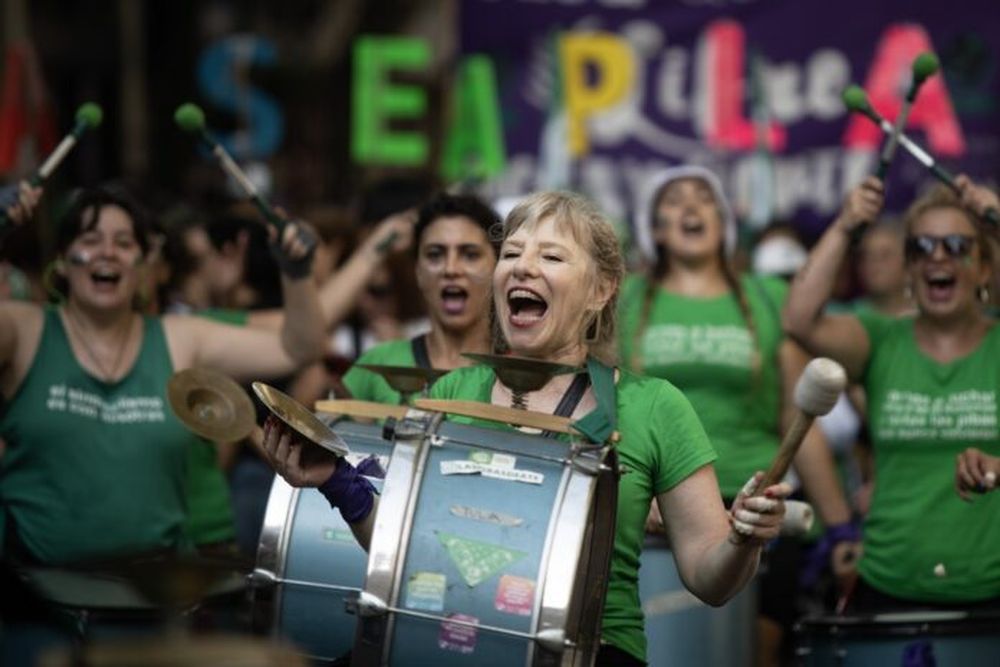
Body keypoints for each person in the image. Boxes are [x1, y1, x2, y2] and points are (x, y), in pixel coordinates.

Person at [261, 190, 792, 666]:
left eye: (552, 256)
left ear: (601, 290)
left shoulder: (654, 406)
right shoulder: (451, 395)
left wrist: (744, 540)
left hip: (591, 652)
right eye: (512, 253)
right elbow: (401, 551)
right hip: (454, 640)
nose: (522, 268)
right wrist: (338, 483)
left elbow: (709, 578)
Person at [0, 182, 325, 567]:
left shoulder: (179, 337)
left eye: (124, 243)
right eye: (91, 239)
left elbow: (298, 348)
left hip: (152, 601)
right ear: (63, 260)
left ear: (142, 264)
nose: (108, 252)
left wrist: (296, 272)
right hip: (35, 603)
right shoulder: (23, 329)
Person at [617, 166, 854, 662]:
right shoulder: (623, 299)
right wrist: (630, 493)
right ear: (654, 227)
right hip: (657, 508)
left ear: (724, 221)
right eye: (674, 199)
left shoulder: (768, 296)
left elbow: (798, 419)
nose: (690, 207)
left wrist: (840, 527)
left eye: (704, 197)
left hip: (756, 502)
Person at [783, 174, 1000, 609]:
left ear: (983, 267)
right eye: (921, 248)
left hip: (990, 591)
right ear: (909, 268)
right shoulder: (881, 338)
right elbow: (799, 320)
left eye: (957, 246)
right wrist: (846, 224)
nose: (938, 257)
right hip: (886, 581)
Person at [340, 192, 499, 404]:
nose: (450, 269)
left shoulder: (518, 376)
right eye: (435, 254)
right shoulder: (379, 363)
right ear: (417, 270)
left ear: (498, 267)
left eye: (470, 254)